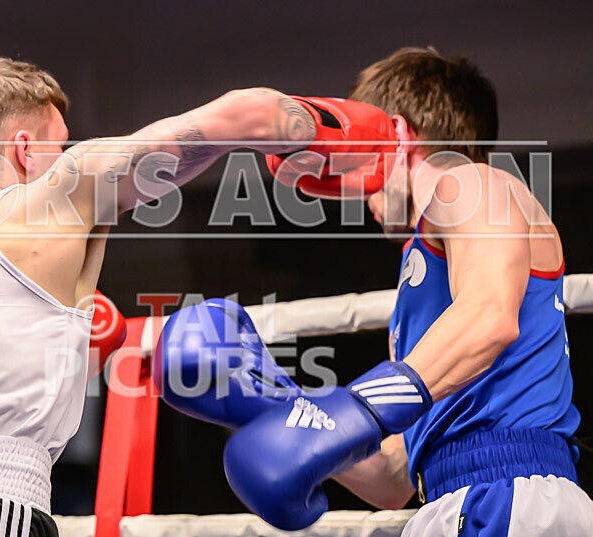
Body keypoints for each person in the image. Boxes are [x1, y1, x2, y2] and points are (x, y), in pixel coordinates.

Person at [0, 56, 392, 537]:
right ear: (26, 151)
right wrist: (336, 132)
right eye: (59, 145)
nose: (68, 155)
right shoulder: (44, 205)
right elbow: (242, 114)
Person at [211, 47, 593, 535]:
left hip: (507, 490)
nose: (353, 185)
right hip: (449, 499)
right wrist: (277, 405)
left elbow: (490, 315)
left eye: (352, 156)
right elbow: (395, 477)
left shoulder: (470, 183)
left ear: (394, 134)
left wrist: (359, 406)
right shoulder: (427, 285)